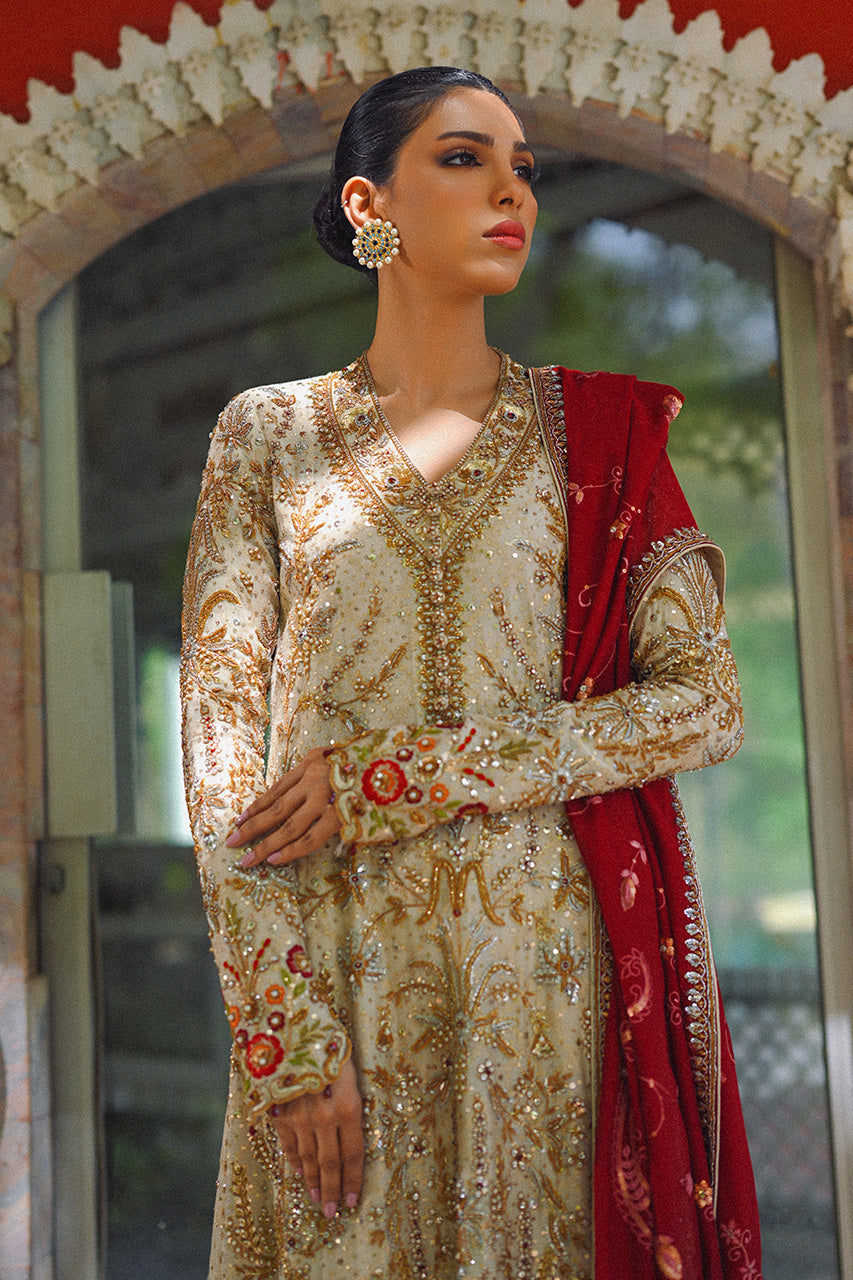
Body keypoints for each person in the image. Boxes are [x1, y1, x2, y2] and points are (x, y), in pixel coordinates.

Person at [181, 66, 761, 1280]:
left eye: (524, 169)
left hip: (548, 997)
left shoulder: (595, 436)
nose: (511, 190)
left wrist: (402, 773)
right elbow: (219, 752)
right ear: (367, 204)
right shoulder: (266, 435)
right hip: (334, 987)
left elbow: (704, 702)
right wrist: (287, 1038)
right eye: (464, 157)